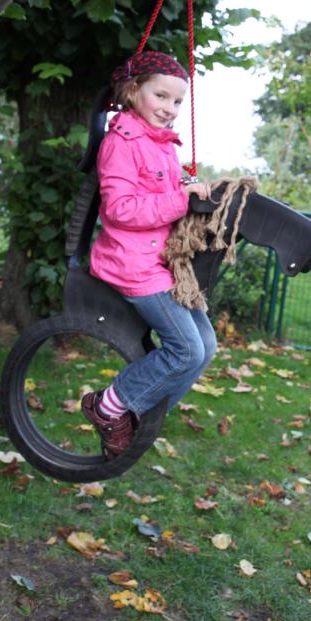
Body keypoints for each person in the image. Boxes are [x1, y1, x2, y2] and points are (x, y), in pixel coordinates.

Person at [82, 50, 217, 459]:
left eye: (177, 101)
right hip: (132, 265)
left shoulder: (160, 144)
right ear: (133, 90)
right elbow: (120, 210)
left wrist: (190, 189)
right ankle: (109, 405)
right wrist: (179, 200)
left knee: (206, 346)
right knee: (187, 350)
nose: (169, 108)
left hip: (158, 263)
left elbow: (163, 193)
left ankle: (140, 414)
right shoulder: (122, 141)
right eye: (161, 96)